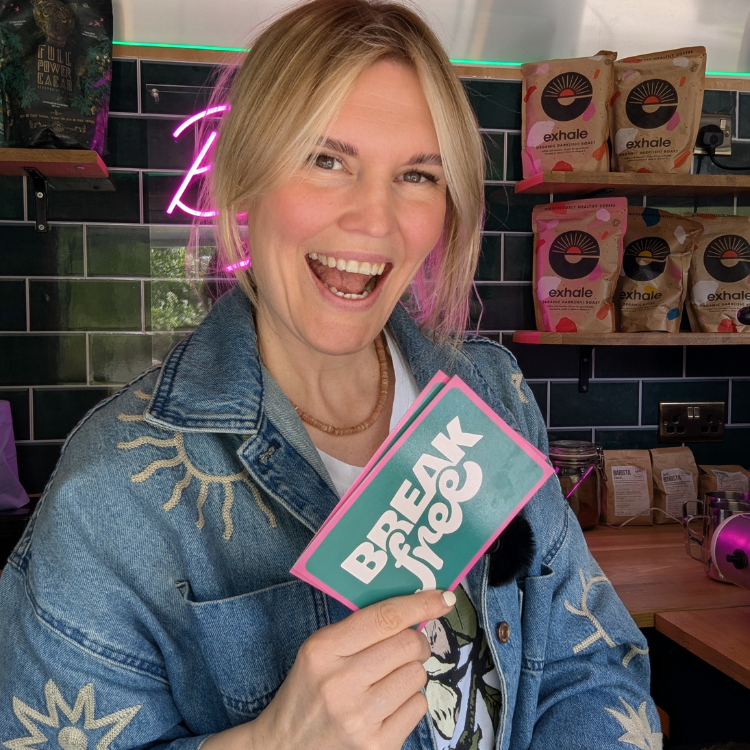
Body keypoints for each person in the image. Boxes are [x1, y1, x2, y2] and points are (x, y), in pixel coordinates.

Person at [0, 2, 662, 749]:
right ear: (244, 181)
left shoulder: (490, 394)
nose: (375, 219)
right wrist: (268, 743)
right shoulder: (115, 487)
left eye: (417, 174)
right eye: (326, 160)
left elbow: (590, 665)